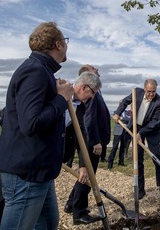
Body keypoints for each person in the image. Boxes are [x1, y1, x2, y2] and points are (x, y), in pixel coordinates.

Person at [0, 21, 75, 230]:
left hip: (40, 171)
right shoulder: (35, 71)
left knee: (48, 224)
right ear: (58, 44)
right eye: (65, 41)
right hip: (27, 170)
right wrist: (62, 99)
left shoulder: (43, 71)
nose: (66, 46)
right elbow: (31, 123)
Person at [64, 65, 110, 226]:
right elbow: (88, 122)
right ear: (86, 81)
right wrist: (96, 141)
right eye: (95, 70)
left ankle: (72, 204)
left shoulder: (89, 95)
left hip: (90, 140)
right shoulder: (85, 96)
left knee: (85, 175)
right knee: (87, 175)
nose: (98, 71)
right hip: (90, 141)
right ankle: (79, 211)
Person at [113, 78, 160, 199]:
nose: (151, 94)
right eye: (149, 91)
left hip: (152, 130)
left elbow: (154, 122)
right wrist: (117, 113)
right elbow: (124, 102)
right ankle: (141, 190)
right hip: (136, 127)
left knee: (157, 157)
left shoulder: (159, 101)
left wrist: (141, 133)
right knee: (138, 159)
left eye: (153, 91)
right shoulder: (136, 92)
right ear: (144, 88)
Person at [107, 102, 129, 169]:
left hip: (125, 132)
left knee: (123, 147)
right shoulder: (115, 112)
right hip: (118, 132)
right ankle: (110, 163)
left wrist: (122, 118)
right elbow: (116, 120)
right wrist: (123, 119)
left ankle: (121, 162)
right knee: (114, 147)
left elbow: (129, 119)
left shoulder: (127, 112)